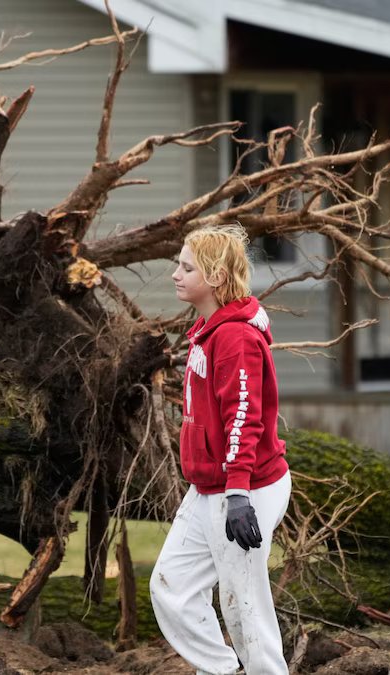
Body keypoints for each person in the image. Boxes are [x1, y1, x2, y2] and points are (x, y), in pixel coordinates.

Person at [150, 224, 292, 675]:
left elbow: (244, 417)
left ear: (213, 278)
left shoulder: (235, 339)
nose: (176, 274)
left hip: (245, 490)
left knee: (243, 604)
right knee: (171, 587)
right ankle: (225, 672)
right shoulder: (208, 330)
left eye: (186, 267)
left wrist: (237, 494)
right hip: (211, 487)